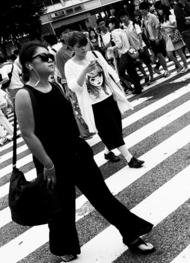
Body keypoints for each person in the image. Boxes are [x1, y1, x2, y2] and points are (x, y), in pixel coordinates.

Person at [16, 41, 155, 262]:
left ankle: (131, 234)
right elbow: (28, 134)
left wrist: (82, 137)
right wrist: (48, 165)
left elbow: (70, 115)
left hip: (77, 151)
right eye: (43, 57)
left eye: (50, 55)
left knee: (102, 196)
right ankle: (65, 247)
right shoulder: (25, 95)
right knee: (61, 207)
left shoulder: (57, 86)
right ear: (28, 65)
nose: (50, 59)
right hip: (51, 159)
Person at [65, 32, 144, 167]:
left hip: (108, 97)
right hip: (93, 104)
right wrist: (84, 71)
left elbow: (108, 70)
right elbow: (74, 87)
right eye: (79, 47)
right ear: (72, 48)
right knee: (111, 129)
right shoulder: (70, 65)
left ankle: (108, 151)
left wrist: (119, 86)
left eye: (85, 45)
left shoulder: (95, 54)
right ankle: (129, 158)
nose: (84, 48)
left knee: (117, 128)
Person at [119, 10, 155, 85]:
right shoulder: (122, 27)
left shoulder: (134, 24)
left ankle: (152, 78)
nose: (123, 18)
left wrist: (141, 46)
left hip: (141, 47)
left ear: (127, 16)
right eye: (121, 17)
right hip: (133, 49)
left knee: (147, 63)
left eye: (124, 16)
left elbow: (139, 35)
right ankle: (146, 76)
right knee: (138, 64)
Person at [109, 17, 143, 95]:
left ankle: (136, 84)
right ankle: (138, 88)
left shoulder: (113, 32)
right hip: (129, 53)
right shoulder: (122, 30)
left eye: (109, 24)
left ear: (113, 24)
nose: (109, 25)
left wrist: (112, 48)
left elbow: (119, 44)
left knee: (121, 73)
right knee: (132, 72)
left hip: (124, 55)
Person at [139, 2, 171, 77]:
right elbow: (143, 29)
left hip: (157, 38)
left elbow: (157, 26)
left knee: (160, 54)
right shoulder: (143, 18)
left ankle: (166, 70)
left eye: (143, 9)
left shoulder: (152, 16)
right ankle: (161, 69)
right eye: (141, 9)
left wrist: (156, 38)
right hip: (151, 40)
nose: (141, 11)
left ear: (147, 9)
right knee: (159, 55)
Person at [55, 26, 74, 94]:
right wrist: (67, 89)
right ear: (61, 37)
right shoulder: (59, 54)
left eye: (70, 31)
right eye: (65, 32)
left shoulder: (80, 46)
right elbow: (62, 72)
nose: (69, 33)